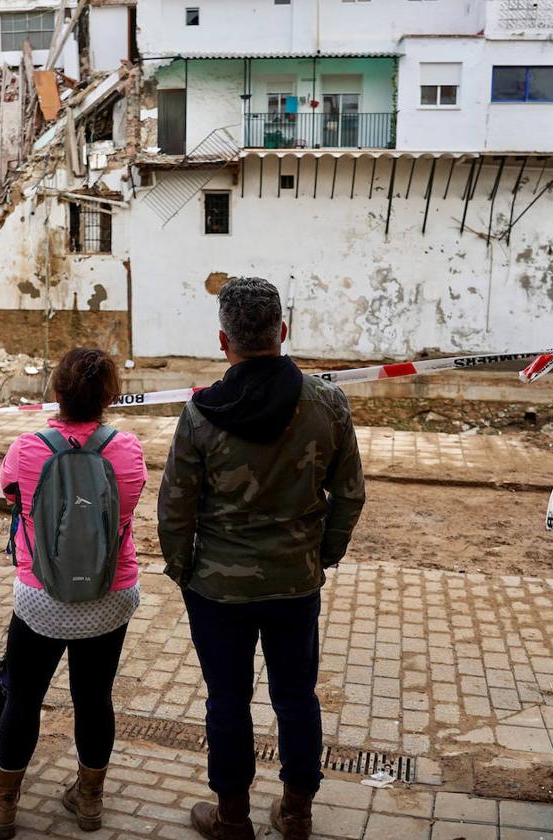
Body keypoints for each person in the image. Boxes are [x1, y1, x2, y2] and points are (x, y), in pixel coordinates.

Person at [158, 277, 365, 840]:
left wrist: (183, 571)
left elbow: (175, 508)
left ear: (223, 342)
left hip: (217, 592)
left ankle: (231, 818)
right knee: (296, 696)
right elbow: (350, 493)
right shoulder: (327, 403)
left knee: (227, 700)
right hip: (294, 586)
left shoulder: (200, 414)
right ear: (284, 331)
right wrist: (322, 556)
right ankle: (296, 811)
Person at [0, 347, 148, 840]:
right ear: (111, 396)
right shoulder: (128, 449)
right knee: (94, 698)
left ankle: (4, 806)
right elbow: (130, 506)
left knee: (24, 698)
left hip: (41, 600)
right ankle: (89, 801)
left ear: (56, 393)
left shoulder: (27, 447)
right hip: (110, 596)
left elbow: (11, 495)